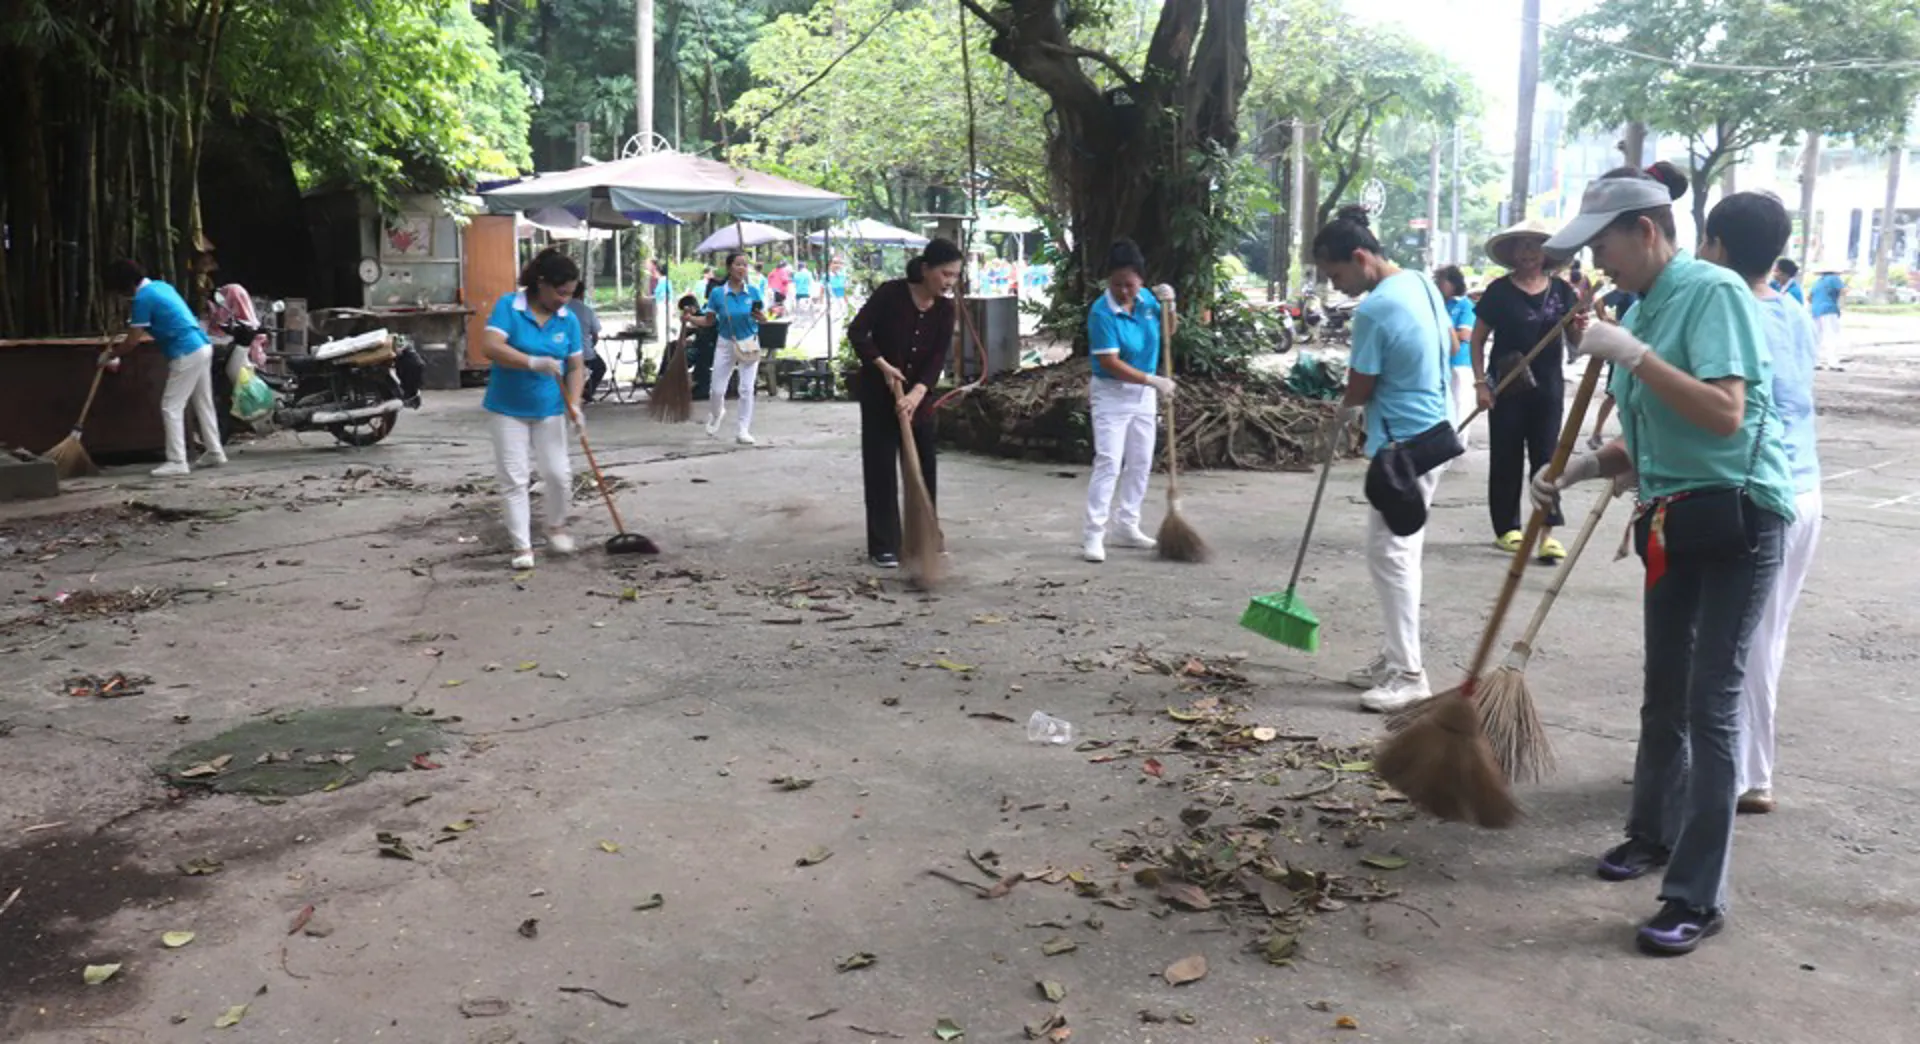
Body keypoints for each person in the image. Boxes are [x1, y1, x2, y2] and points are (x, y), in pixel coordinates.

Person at [1535, 162, 1795, 957]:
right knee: (1662, 691)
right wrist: (1585, 466)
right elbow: (1654, 434)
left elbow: (1723, 414)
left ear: (1646, 231)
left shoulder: (1712, 293)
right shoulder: (1645, 302)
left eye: (1603, 245)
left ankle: (1695, 895)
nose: (1596, 264)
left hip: (1738, 516)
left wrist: (1635, 356)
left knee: (1710, 705)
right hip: (1671, 514)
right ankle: (1650, 833)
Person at [1692, 195, 1821, 816]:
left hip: (1764, 492)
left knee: (1744, 639)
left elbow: (1726, 411)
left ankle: (1749, 773)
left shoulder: (1732, 310)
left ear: (1715, 246)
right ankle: (1736, 758)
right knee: (1763, 632)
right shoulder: (1792, 309)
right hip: (1804, 487)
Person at [1316, 207, 1452, 712]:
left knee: (1390, 554)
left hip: (1402, 447)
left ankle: (1409, 673)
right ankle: (1396, 654)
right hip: (1435, 433)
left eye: (1337, 275)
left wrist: (1343, 406)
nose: (1338, 286)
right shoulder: (1418, 281)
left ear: (1359, 257)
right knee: (1401, 551)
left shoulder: (1374, 310)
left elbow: (1361, 385)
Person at [1472, 218, 1588, 562]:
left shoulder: (1563, 291)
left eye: (1536, 245)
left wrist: (1580, 327)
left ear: (1547, 253)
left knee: (1547, 458)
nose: (1528, 252)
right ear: (1511, 252)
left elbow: (1576, 343)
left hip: (1548, 389)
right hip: (1507, 387)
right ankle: (1508, 528)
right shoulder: (1499, 291)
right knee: (1506, 457)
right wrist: (1481, 383)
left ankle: (1545, 531)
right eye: (1522, 244)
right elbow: (1477, 339)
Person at [847, 238, 963, 568]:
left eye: (954, 276)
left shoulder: (944, 310)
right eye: (945, 274)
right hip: (880, 396)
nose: (949, 282)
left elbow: (937, 356)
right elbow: (858, 332)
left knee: (924, 467)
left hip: (919, 400)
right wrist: (881, 365)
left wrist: (916, 394)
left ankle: (923, 535)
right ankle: (884, 544)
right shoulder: (890, 294)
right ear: (926, 269)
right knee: (881, 467)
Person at [479, 248, 586, 571]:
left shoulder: (569, 320)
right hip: (506, 408)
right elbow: (490, 346)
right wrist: (531, 362)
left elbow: (576, 367)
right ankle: (522, 546)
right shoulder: (509, 307)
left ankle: (555, 526)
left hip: (550, 408)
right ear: (541, 283)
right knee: (515, 477)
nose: (564, 299)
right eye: (560, 291)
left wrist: (575, 405)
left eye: (570, 293)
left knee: (559, 475)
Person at [1079, 240, 1177, 564]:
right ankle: (1094, 533)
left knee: (1140, 460)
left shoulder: (1148, 300)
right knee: (1109, 460)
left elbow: (1168, 332)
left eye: (1130, 285)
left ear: (1142, 282)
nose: (1124, 291)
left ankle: (1127, 525)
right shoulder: (1101, 312)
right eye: (1118, 284)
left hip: (1143, 396)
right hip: (1111, 393)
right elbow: (1109, 361)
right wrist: (1152, 380)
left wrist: (1170, 306)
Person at [103, 259, 226, 477]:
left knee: (171, 406)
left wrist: (111, 354)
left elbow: (132, 340)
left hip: (185, 351)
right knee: (203, 401)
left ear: (125, 286)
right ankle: (215, 451)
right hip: (201, 344)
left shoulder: (143, 298)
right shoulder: (161, 287)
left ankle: (177, 460)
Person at [691, 252, 766, 445]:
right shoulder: (718, 293)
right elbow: (708, 321)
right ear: (729, 267)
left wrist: (762, 318)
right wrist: (690, 319)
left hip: (749, 342)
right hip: (725, 342)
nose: (742, 268)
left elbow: (762, 317)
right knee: (716, 389)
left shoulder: (753, 292)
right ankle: (717, 413)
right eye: (738, 264)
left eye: (745, 265)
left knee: (747, 388)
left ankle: (743, 429)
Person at [1435, 265, 1477, 450]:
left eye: (1441, 281)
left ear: (1453, 283)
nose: (1437, 285)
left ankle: (1458, 441)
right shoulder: (1439, 304)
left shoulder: (1465, 305)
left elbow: (1465, 334)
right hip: (1440, 362)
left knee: (1460, 403)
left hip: (1459, 363)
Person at [1809, 266, 1845, 368]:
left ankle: (1815, 361)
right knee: (1831, 336)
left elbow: (1809, 297)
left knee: (1817, 337)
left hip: (1816, 310)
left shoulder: (1818, 282)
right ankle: (1832, 362)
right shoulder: (1834, 279)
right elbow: (1844, 291)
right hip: (1829, 309)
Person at [573, 292, 606, 403]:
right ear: (581, 294)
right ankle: (587, 390)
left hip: (564, 352)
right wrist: (591, 346)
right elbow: (595, 336)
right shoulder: (587, 310)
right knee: (600, 368)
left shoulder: (561, 309)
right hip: (585, 352)